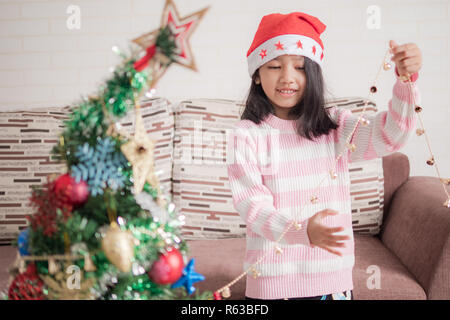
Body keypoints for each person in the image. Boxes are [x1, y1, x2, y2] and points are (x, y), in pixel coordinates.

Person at [226, 12, 422, 300]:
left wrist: (406, 81)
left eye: (300, 67)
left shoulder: (335, 127)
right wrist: (301, 231)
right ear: (257, 74)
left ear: (314, 73)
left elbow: (392, 134)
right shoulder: (245, 135)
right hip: (271, 285)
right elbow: (252, 206)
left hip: (332, 283)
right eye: (274, 66)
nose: (287, 77)